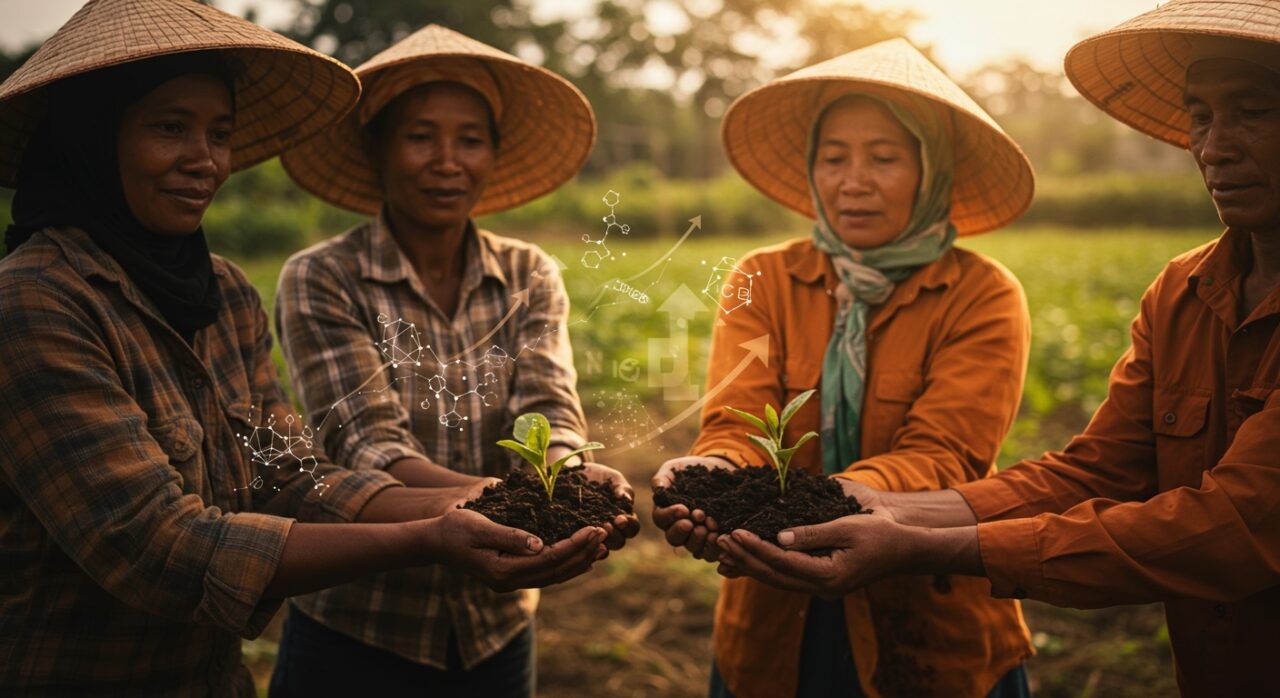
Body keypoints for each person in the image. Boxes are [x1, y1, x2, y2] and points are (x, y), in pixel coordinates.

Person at [0, 2, 607, 695]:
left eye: (220, 133)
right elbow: (151, 544)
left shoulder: (221, 294)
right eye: (170, 128)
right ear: (92, 137)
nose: (204, 160)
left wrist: (487, 498)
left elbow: (290, 476)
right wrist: (431, 531)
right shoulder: (36, 300)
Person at [712, 2, 1280, 695]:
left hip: (933, 635)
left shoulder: (979, 293)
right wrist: (780, 485)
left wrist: (917, 534)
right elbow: (1096, 472)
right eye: (1200, 116)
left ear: (931, 172)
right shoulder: (1183, 293)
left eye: (1252, 110)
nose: (1215, 147)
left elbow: (1234, 526)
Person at [650, 39, 1037, 697]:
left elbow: (946, 454)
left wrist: (839, 501)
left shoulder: (981, 294)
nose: (853, 180)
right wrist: (714, 470)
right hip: (772, 619)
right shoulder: (765, 279)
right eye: (834, 159)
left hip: (927, 621)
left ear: (930, 169)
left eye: (883, 158)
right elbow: (737, 420)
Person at [269, 24, 640, 697]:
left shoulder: (527, 273)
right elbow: (369, 444)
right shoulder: (323, 277)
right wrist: (512, 504)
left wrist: (569, 478)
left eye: (470, 139)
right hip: (359, 625)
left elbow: (548, 409)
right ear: (377, 147)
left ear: (494, 154)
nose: (447, 160)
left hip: (495, 627)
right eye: (420, 136)